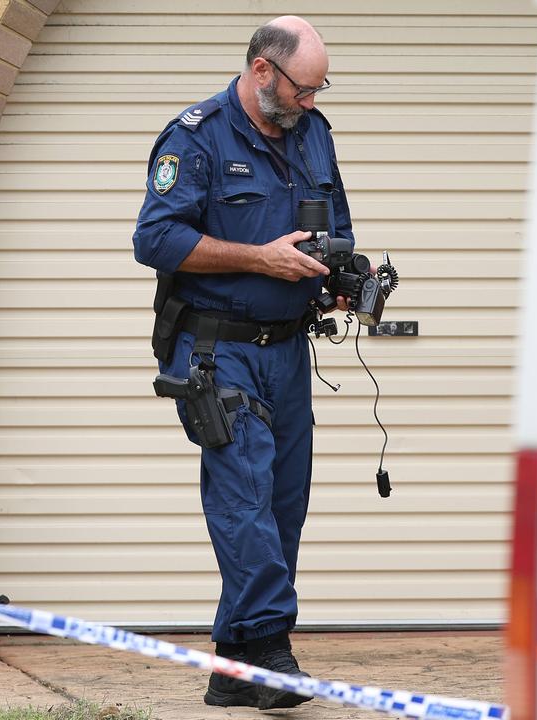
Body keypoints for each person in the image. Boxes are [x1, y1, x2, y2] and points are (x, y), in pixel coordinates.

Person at [131, 16, 355, 710]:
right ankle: (268, 651)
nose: (311, 103)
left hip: (287, 349)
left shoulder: (313, 133)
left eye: (319, 90)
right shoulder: (195, 139)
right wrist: (260, 258)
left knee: (283, 504)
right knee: (244, 498)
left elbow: (337, 227)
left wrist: (349, 273)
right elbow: (155, 239)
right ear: (263, 70)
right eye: (303, 88)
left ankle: (233, 667)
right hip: (216, 350)